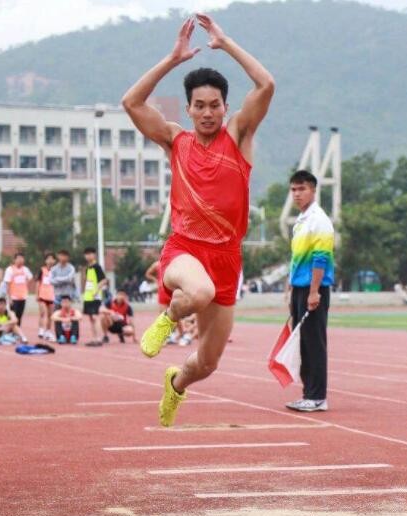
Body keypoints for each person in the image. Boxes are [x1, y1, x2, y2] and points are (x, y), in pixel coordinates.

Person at [122, 12, 274, 426]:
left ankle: (176, 385)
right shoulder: (175, 140)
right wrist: (173, 59)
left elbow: (266, 85)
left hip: (228, 257)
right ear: (188, 109)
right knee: (199, 291)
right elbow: (131, 103)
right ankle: (168, 319)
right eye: (199, 106)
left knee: (208, 362)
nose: (207, 113)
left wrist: (226, 44)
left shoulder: (239, 135)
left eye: (215, 105)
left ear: (225, 107)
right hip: (184, 249)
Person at [283, 171, 334, 413]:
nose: (296, 194)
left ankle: (318, 396)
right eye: (293, 189)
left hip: (314, 289)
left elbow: (320, 258)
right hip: (300, 289)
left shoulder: (319, 220)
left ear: (313, 190)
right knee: (303, 343)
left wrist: (314, 292)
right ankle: (308, 393)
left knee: (314, 343)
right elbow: (296, 258)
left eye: (301, 189)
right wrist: (291, 287)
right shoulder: (301, 221)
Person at [81, 247, 108, 346]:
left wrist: (96, 290)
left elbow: (104, 280)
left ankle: (98, 338)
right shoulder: (88, 268)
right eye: (86, 254)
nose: (88, 256)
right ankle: (94, 338)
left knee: (95, 317)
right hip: (88, 296)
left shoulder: (97, 266)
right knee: (91, 318)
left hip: (95, 296)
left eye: (90, 254)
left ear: (94, 255)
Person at [3, 253, 32, 327]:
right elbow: (8, 284)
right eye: (18, 258)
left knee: (19, 315)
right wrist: (9, 298)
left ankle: (17, 332)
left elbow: (30, 278)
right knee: (12, 315)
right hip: (13, 297)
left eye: (22, 258)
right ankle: (9, 332)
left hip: (23, 296)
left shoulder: (25, 269)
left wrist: (26, 286)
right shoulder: (10, 269)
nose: (20, 260)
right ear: (14, 260)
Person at [36, 252, 57, 340]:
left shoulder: (56, 270)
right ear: (45, 261)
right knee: (43, 312)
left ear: (55, 260)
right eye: (48, 259)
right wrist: (37, 294)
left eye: (52, 259)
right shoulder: (42, 270)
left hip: (52, 296)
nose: (50, 261)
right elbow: (37, 282)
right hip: (42, 295)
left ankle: (48, 331)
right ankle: (41, 329)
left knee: (50, 315)